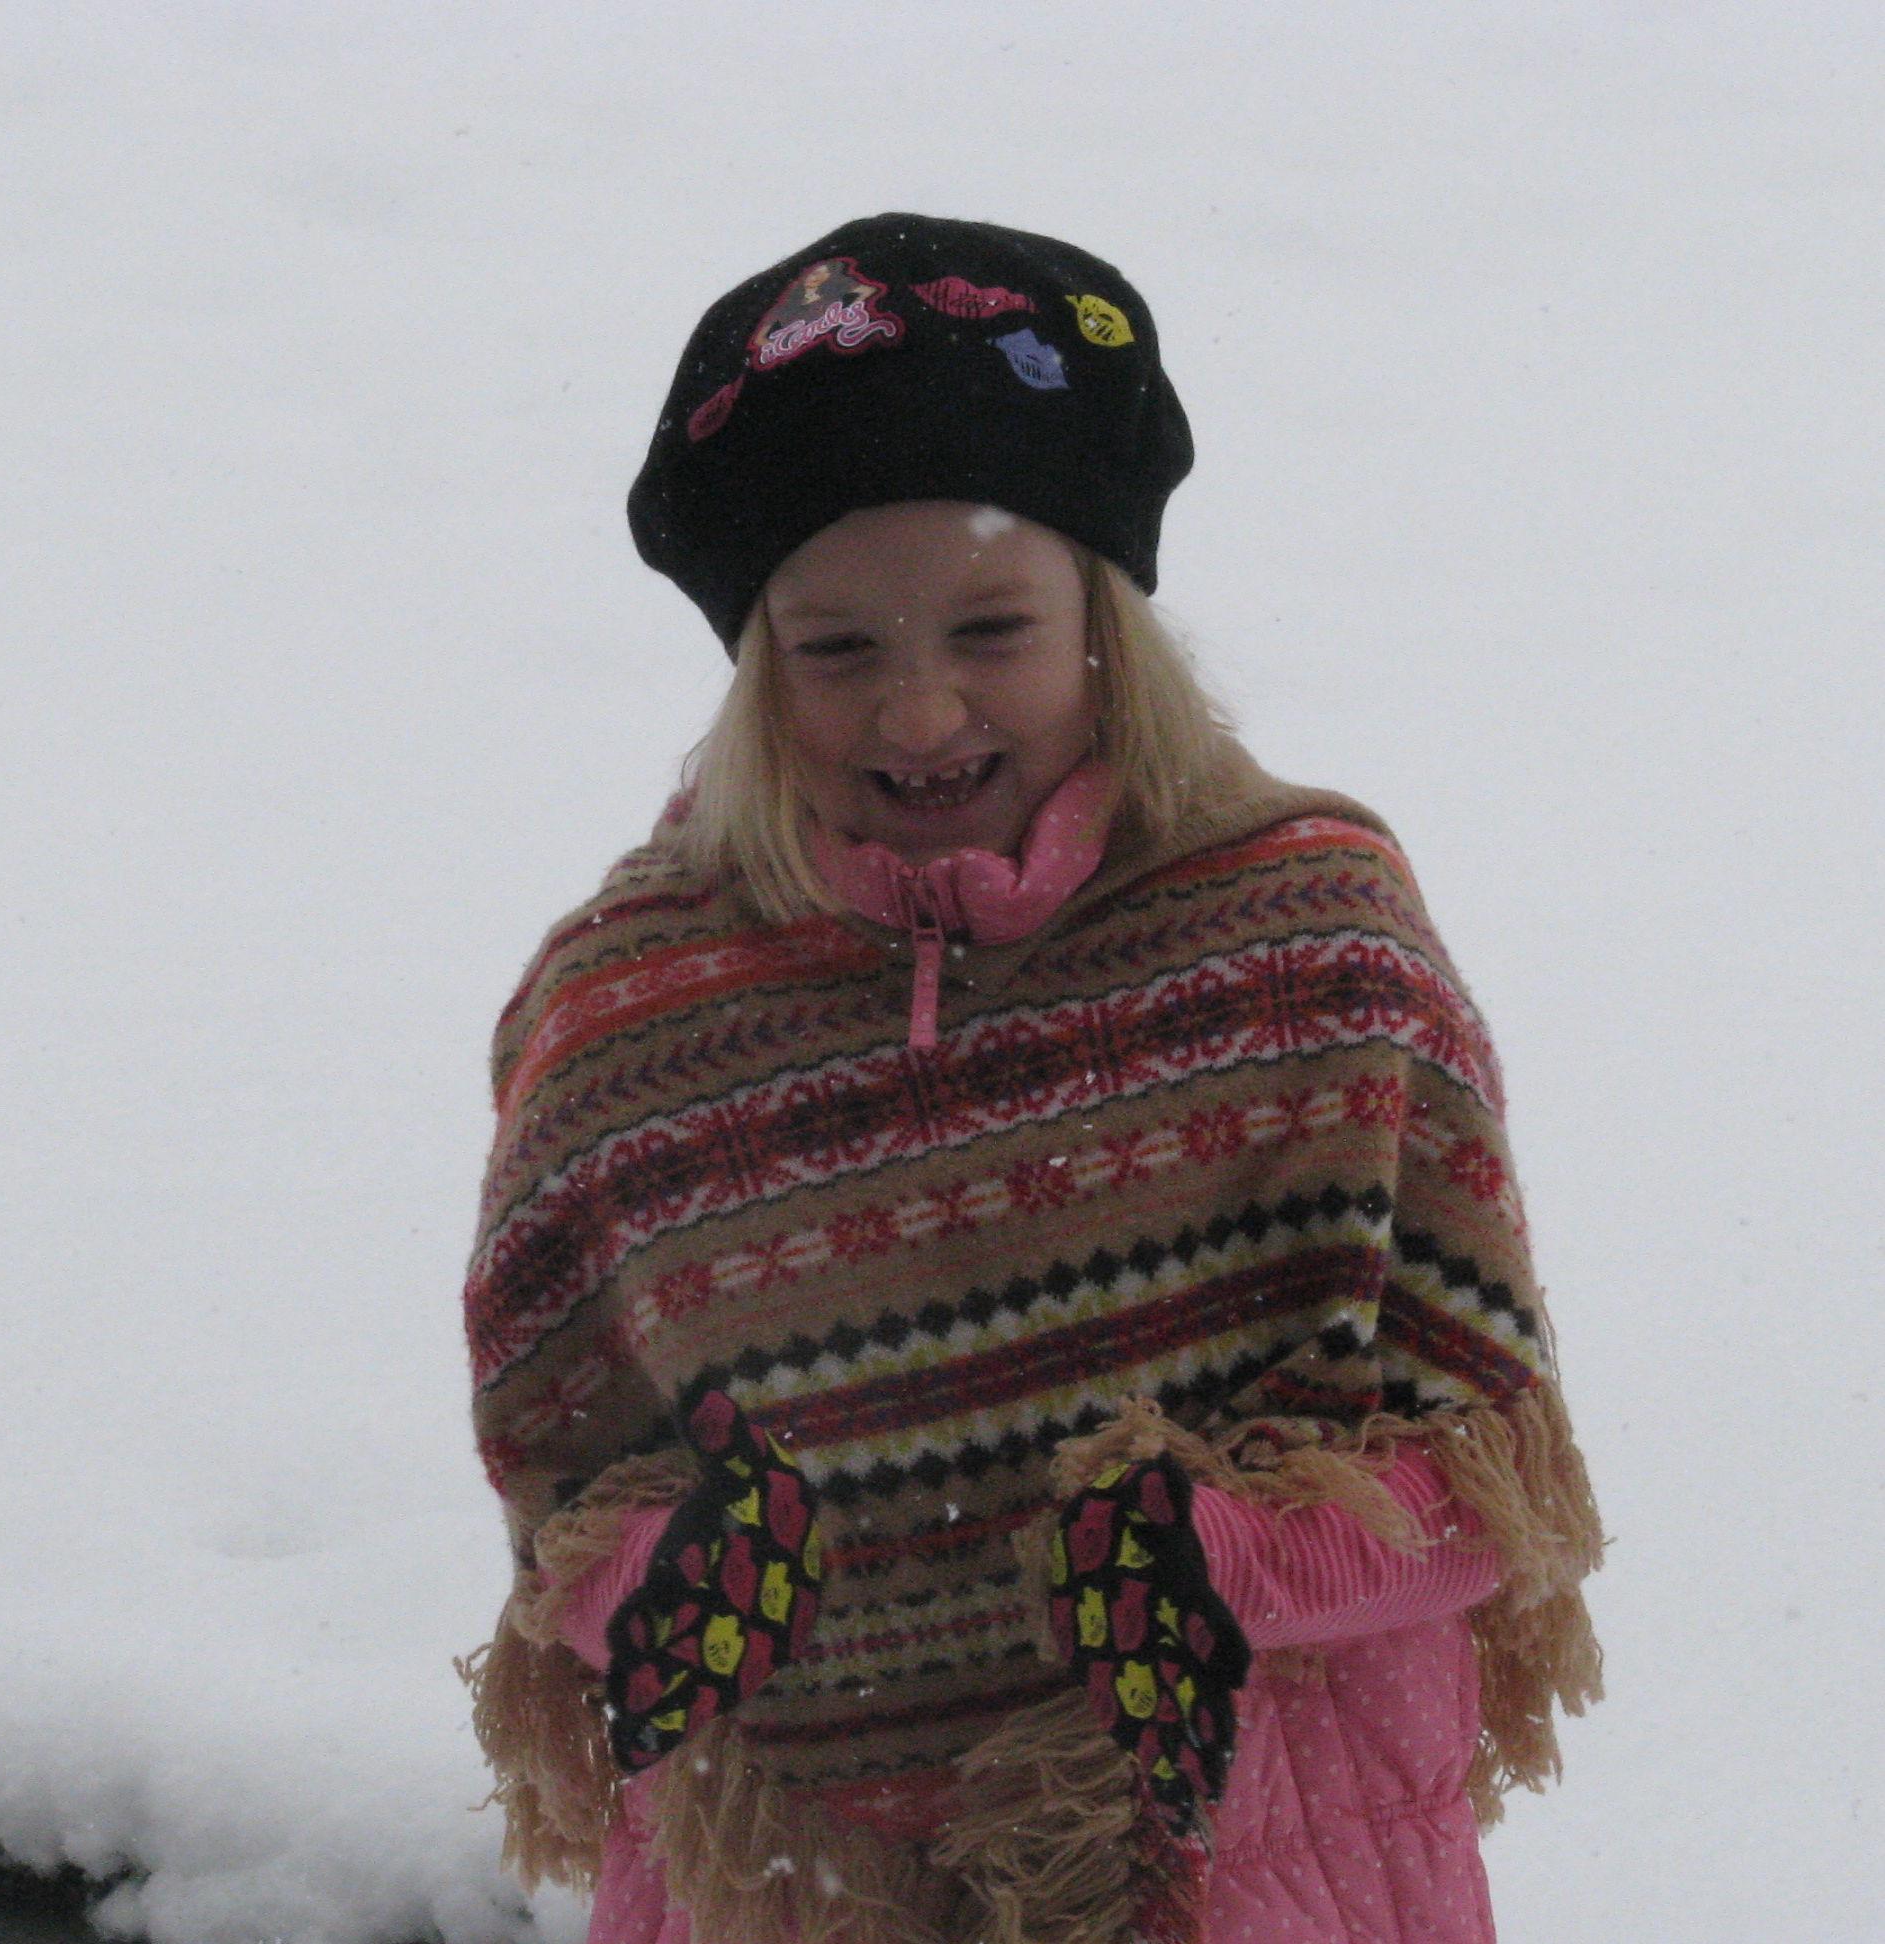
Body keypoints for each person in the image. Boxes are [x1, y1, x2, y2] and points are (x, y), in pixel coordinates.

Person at [459, 213, 1605, 1944]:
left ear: (1104, 618)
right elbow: (565, 1488)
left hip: (1261, 1854)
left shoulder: (1310, 955)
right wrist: (670, 1585)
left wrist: (1230, 1560)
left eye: (991, 626)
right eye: (837, 649)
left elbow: (1484, 1469)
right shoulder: (631, 1027)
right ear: (758, 666)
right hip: (792, 1881)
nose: (919, 714)